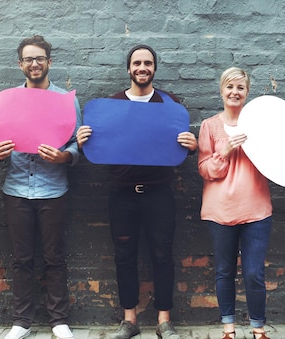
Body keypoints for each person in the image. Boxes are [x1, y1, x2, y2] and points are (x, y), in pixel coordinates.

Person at [197, 67, 285, 339]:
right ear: (221, 90)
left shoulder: (263, 126)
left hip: (256, 211)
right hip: (219, 211)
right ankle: (228, 329)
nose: (235, 92)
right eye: (229, 87)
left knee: (254, 273)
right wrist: (224, 151)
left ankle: (258, 329)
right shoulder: (209, 126)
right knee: (224, 271)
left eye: (240, 88)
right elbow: (205, 171)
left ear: (247, 92)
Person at [76, 44, 197, 339]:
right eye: (137, 63)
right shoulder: (112, 105)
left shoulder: (170, 105)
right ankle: (129, 320)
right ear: (128, 68)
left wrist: (192, 147)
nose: (142, 68)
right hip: (122, 193)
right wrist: (83, 140)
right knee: (124, 256)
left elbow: (180, 147)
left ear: (154, 68)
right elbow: (98, 146)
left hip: (159, 193)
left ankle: (164, 321)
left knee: (162, 254)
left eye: (148, 63)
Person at [0, 35, 81, 339]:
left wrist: (64, 156)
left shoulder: (66, 100)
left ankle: (58, 321)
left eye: (39, 58)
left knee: (55, 257)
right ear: (20, 64)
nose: (34, 63)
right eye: (28, 59)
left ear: (49, 62)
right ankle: (21, 322)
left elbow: (75, 146)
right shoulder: (8, 100)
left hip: (53, 189)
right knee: (21, 259)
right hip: (16, 189)